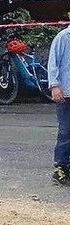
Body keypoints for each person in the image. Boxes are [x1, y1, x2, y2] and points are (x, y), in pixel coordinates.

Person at [49, 12, 70, 185]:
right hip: (66, 92)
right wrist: (54, 85)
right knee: (66, 131)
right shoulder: (63, 37)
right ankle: (60, 167)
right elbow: (53, 63)